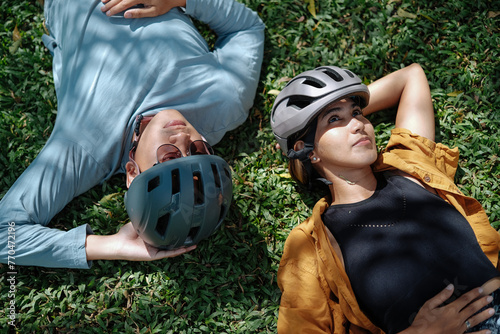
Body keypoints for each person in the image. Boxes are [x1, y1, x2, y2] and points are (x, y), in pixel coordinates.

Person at [0, 0, 264, 269]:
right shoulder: (225, 103)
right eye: (198, 150)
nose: (183, 139)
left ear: (132, 173)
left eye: (170, 157)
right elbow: (246, 28)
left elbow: (4, 234)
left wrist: (111, 244)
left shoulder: (85, 145)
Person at [270, 63, 500, 333]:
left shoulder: (408, 166)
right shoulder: (311, 244)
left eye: (357, 112)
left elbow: (410, 77)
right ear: (309, 151)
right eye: (334, 119)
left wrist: (334, 101)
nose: (357, 124)